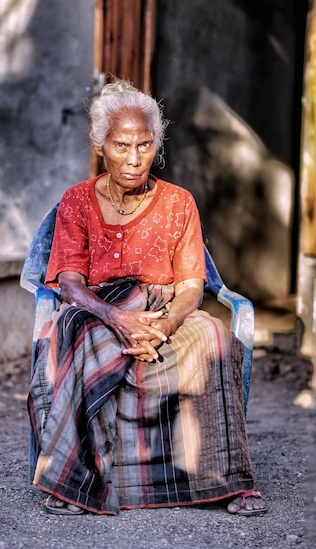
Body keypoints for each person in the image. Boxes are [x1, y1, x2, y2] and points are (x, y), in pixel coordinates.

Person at [27, 79, 267, 517]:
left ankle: (225, 481)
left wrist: (164, 324)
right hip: (97, 307)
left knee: (213, 338)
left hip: (163, 309)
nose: (135, 158)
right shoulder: (77, 201)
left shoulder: (179, 203)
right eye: (121, 145)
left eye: (144, 145)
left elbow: (192, 284)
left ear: (156, 144)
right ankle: (76, 481)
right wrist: (117, 317)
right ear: (100, 146)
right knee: (81, 338)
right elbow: (71, 283)